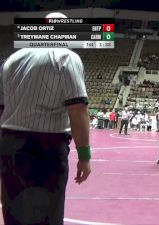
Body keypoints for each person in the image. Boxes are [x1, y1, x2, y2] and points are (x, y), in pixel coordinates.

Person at [0, 12, 91, 225]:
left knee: (14, 212)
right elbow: (77, 110)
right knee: (48, 214)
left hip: (9, 145)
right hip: (45, 148)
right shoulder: (65, 57)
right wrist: (84, 156)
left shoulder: (12, 60)